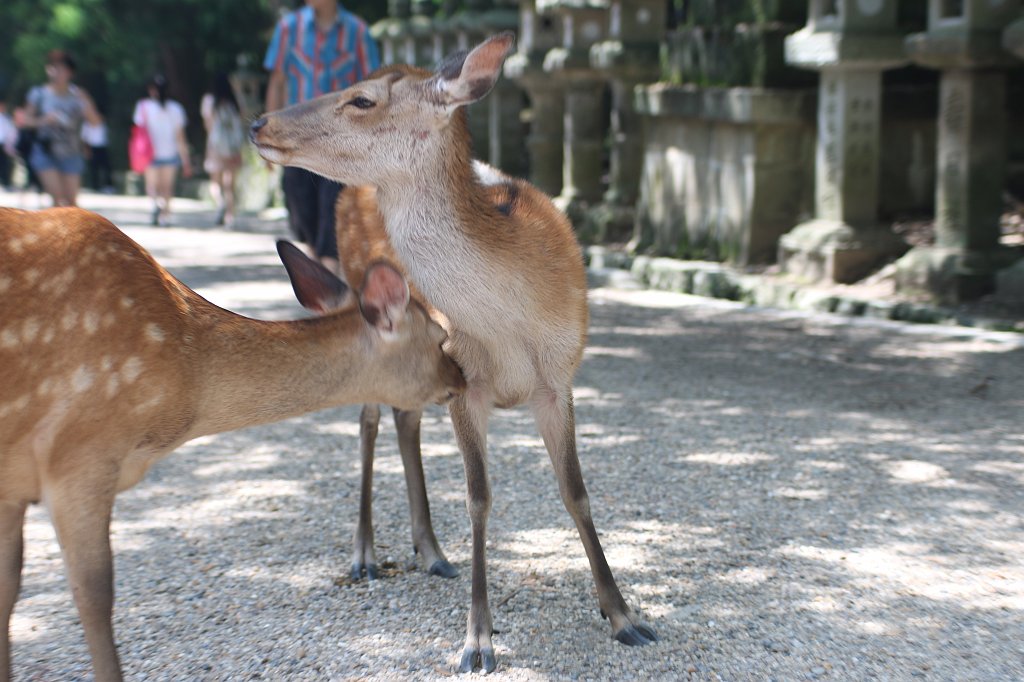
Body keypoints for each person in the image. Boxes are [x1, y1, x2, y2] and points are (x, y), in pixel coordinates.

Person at [263, 0, 380, 274]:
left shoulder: (358, 32)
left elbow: (372, 87)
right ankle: (318, 270)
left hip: (340, 141)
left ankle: (327, 275)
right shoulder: (288, 29)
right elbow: (277, 82)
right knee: (299, 205)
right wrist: (269, 132)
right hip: (294, 138)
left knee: (333, 207)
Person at [22, 50, 102, 207]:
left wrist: (86, 102)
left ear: (70, 72)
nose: (56, 73)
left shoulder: (78, 96)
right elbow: (25, 120)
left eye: (61, 69)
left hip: (71, 152)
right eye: (53, 68)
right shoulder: (38, 94)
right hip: (45, 151)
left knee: (71, 204)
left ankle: (70, 231)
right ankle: (56, 231)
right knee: (57, 200)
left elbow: (95, 122)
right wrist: (44, 120)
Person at [133, 74, 192, 226]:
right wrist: (186, 159)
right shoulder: (176, 109)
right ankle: (165, 216)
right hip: (170, 153)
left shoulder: (143, 106)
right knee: (167, 187)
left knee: (152, 185)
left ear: (151, 89)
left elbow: (139, 131)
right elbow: (180, 137)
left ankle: (155, 205)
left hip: (149, 153)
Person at [201, 72, 245, 226]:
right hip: (233, 147)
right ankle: (230, 217)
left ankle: (220, 203)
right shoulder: (234, 101)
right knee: (229, 183)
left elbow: (208, 126)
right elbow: (239, 123)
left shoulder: (209, 101)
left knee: (215, 182)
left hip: (216, 146)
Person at [81, 112, 114, 193]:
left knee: (107, 167)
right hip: (92, 148)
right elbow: (84, 138)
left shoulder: (103, 124)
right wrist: (86, 149)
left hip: (103, 147)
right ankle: (95, 187)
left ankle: (108, 186)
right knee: (94, 168)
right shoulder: (86, 125)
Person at [0, 100, 16, 190]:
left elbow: (10, 133)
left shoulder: (6, 119)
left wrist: (9, 145)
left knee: (5, 164)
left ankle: (6, 182)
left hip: (2, 145)